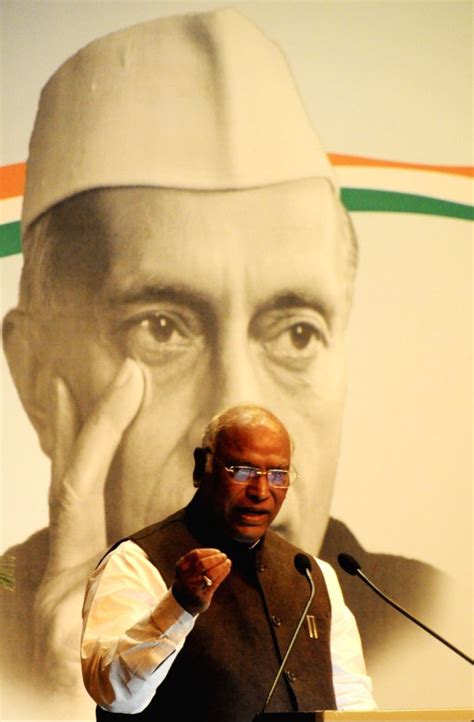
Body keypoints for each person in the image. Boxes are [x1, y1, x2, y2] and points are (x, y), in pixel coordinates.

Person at [0, 7, 440, 718]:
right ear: (31, 372)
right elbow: (113, 694)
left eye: (296, 332)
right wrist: (64, 675)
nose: (238, 396)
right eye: (163, 326)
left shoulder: (368, 592)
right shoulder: (127, 571)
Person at [81, 403, 376, 719]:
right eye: (242, 471)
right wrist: (178, 607)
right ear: (201, 467)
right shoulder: (137, 562)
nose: (261, 490)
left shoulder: (313, 575)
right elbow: (114, 695)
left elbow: (352, 701)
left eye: (277, 475)